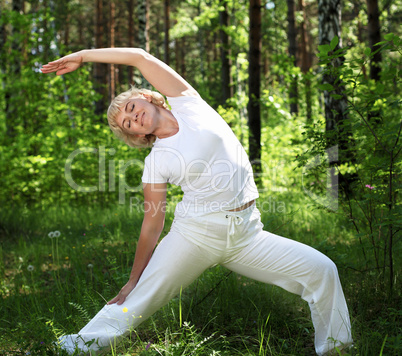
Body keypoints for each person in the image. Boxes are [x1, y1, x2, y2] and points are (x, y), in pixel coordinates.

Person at [41, 48, 353, 355]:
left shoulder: (190, 104)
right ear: (134, 134)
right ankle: (70, 348)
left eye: (131, 107)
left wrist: (83, 55)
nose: (132, 117)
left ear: (147, 97)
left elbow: (139, 57)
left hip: (247, 234)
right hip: (197, 235)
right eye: (127, 123)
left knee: (322, 270)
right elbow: (153, 223)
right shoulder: (157, 160)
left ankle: (337, 349)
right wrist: (134, 279)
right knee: (135, 302)